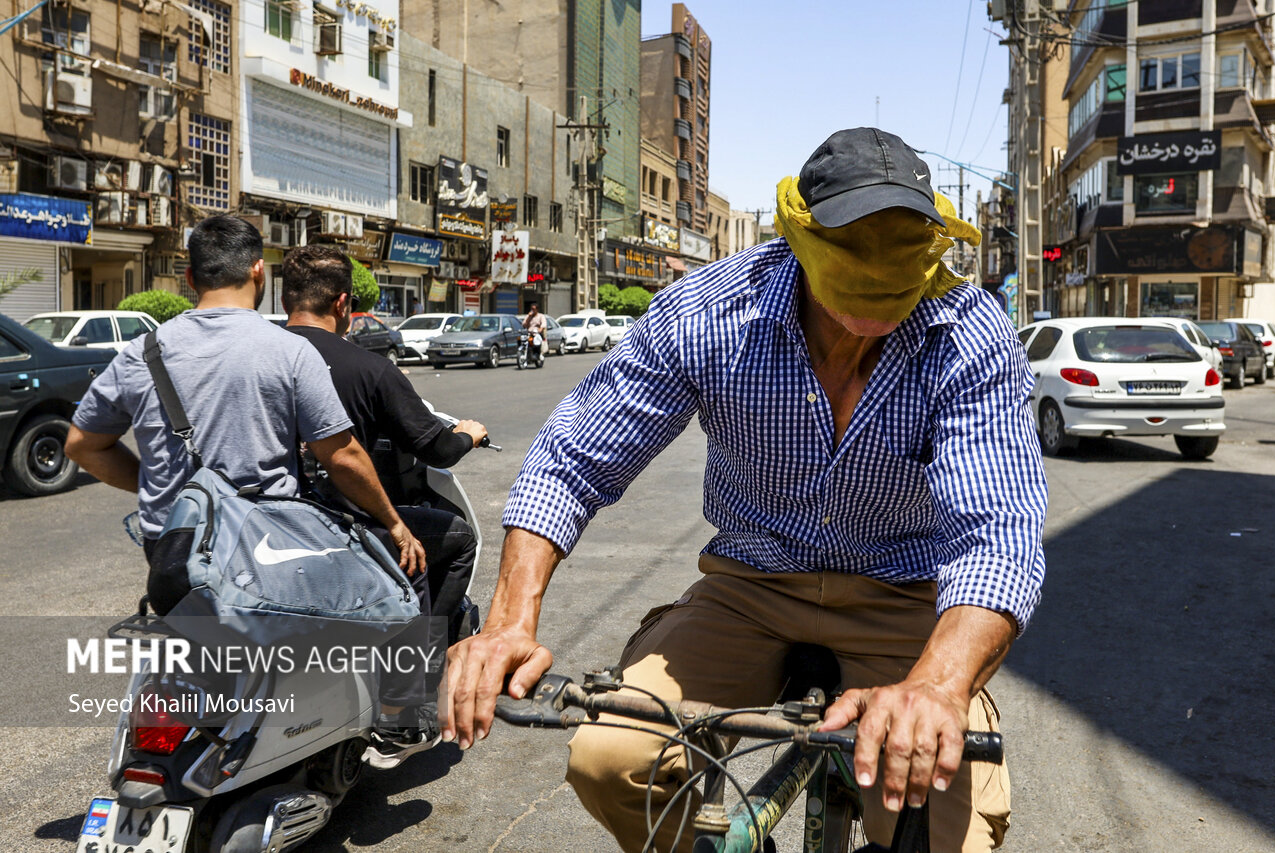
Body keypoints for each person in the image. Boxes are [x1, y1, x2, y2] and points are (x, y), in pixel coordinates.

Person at [445, 128, 1047, 852]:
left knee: (940, 833)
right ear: (799, 232)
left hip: (907, 595)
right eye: (855, 243)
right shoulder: (711, 311)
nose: (878, 270)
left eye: (902, 247)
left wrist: (939, 684)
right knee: (609, 760)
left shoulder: (967, 330)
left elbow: (999, 531)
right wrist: (509, 621)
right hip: (750, 582)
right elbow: (572, 457)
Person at [65, 214, 430, 765]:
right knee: (389, 593)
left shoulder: (144, 352)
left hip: (170, 554)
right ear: (259, 272)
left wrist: (161, 489)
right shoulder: (287, 351)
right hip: (262, 555)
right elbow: (343, 456)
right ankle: (398, 716)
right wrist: (396, 524)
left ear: (190, 278)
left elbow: (83, 446)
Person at [281, 244, 489, 764]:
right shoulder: (367, 368)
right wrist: (468, 435)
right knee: (456, 540)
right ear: (344, 304)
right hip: (338, 520)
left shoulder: (261, 354)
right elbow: (435, 447)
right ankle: (409, 692)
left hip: (267, 521)